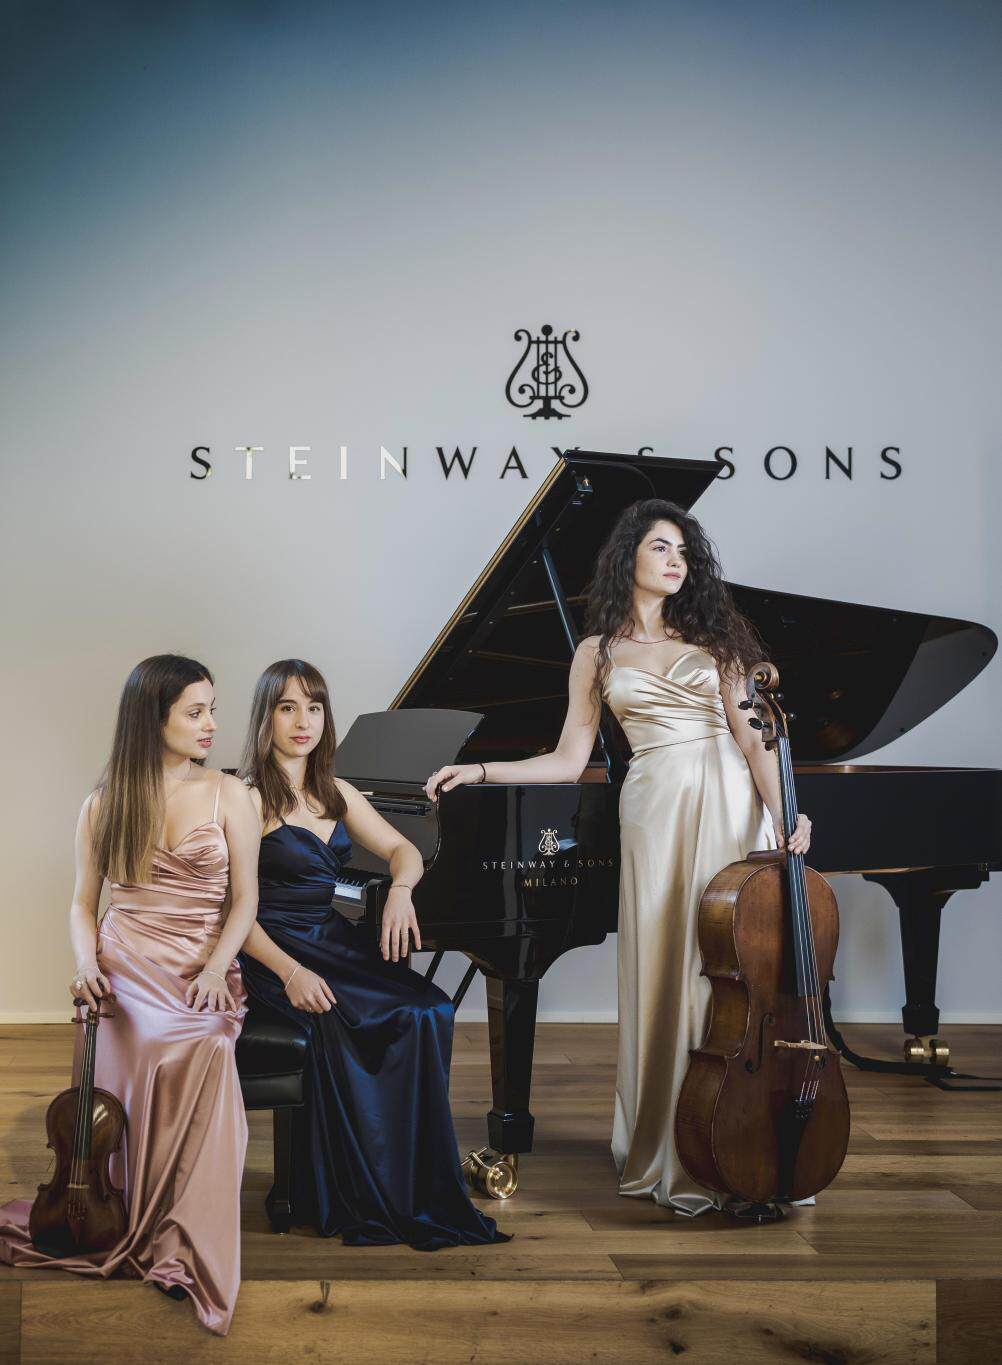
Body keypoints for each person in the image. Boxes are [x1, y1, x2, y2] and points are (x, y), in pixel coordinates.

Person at [425, 499, 812, 1215]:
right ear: (627, 555)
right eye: (661, 546)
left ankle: (740, 1140)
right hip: (655, 807)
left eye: (684, 551)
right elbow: (568, 759)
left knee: (728, 966)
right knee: (664, 962)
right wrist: (479, 770)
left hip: (730, 802)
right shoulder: (596, 653)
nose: (675, 560)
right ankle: (671, 1142)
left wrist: (790, 814)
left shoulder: (720, 644)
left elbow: (756, 740)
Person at [0, 655, 259, 1334]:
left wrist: (216, 970)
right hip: (125, 961)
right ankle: (108, 1208)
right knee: (125, 1029)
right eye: (195, 712)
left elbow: (245, 901)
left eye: (212, 709)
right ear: (153, 718)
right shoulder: (104, 800)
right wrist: (85, 962)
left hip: (199, 962)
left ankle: (181, 1234)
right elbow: (83, 903)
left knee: (207, 1041)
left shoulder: (230, 794)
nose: (211, 724)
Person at [236, 659, 508, 1248]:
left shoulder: (336, 792)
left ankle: (406, 1180)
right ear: (266, 718)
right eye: (287, 708)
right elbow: (235, 912)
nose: (303, 721)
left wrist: (402, 890)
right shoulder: (246, 799)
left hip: (330, 938)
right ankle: (354, 1183)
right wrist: (290, 973)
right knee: (372, 1017)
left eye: (314, 707)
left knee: (430, 1009)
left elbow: (402, 850)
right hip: (272, 951)